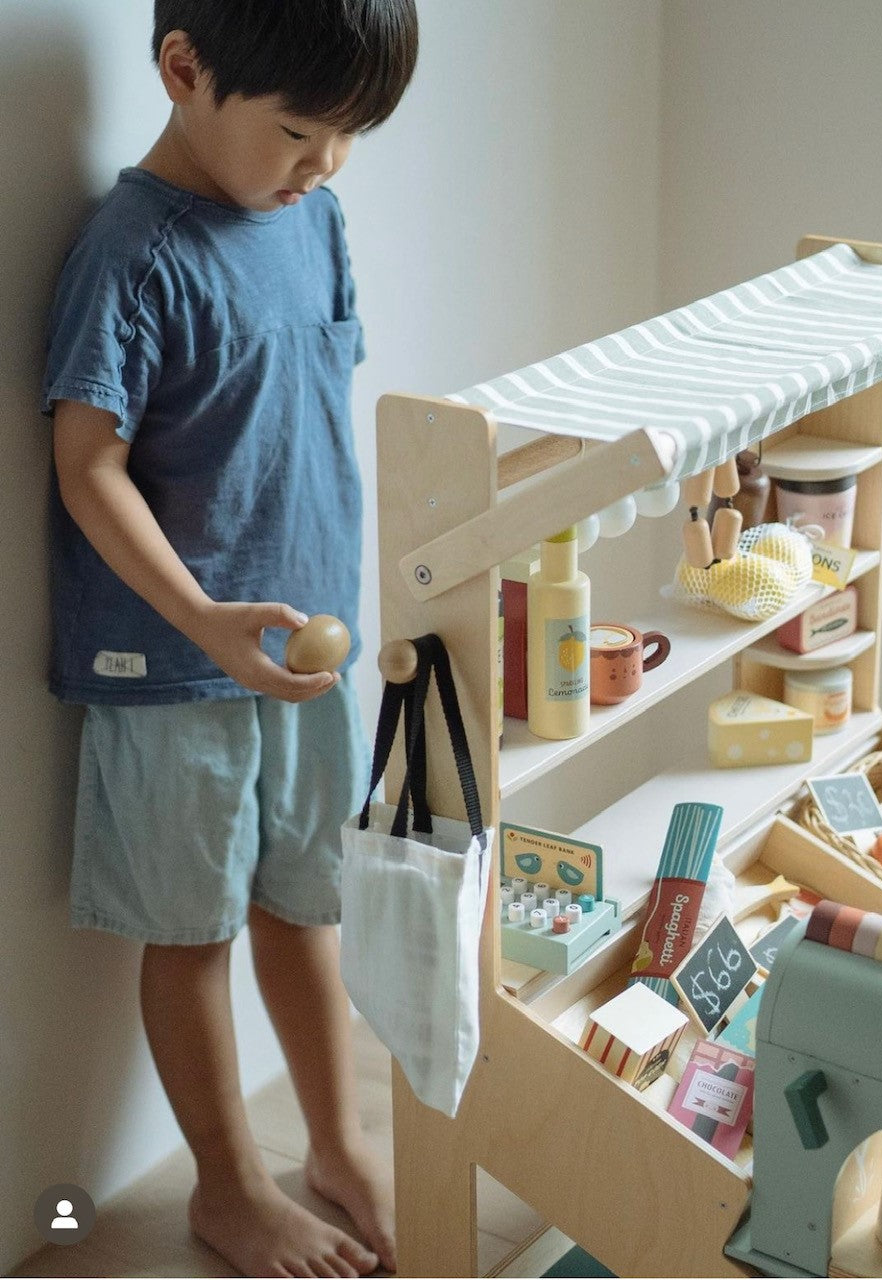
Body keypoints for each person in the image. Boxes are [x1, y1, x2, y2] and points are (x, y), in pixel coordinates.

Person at [40, 2, 417, 1275]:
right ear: (184, 70)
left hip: (308, 643)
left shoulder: (314, 220)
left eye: (348, 135)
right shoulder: (131, 251)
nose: (325, 163)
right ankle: (229, 1185)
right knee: (192, 926)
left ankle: (339, 1143)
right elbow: (88, 464)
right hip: (173, 663)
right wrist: (199, 612)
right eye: (302, 130)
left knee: (305, 905)